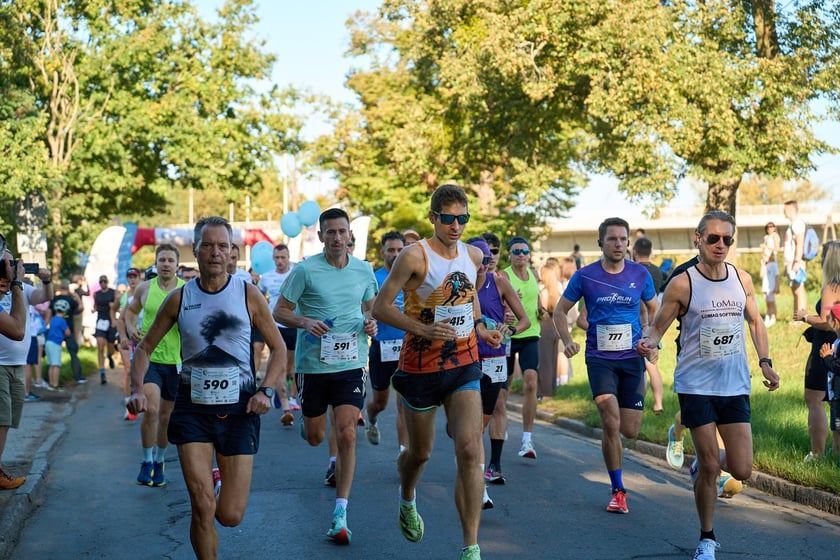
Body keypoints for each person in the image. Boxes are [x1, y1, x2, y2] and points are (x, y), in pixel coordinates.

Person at [127, 216, 286, 560]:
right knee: (202, 506)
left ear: (231, 252)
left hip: (240, 409)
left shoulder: (248, 294)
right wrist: (137, 387)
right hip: (192, 409)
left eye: (222, 246)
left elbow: (279, 348)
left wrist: (266, 391)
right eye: (208, 245)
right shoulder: (179, 299)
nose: (216, 252)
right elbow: (144, 348)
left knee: (230, 515)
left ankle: (217, 481)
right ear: (196, 250)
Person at [638, 210, 779, 560]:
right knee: (712, 466)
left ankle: (700, 463)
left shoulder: (742, 279)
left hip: (734, 384)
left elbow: (755, 321)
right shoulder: (683, 283)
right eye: (713, 238)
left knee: (742, 469)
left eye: (727, 239)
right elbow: (658, 327)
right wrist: (648, 343)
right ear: (698, 239)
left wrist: (765, 361)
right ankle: (706, 538)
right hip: (696, 384)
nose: (720, 244)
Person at [373, 184, 503, 560]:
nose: (456, 226)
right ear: (433, 217)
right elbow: (381, 307)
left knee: (469, 449)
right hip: (420, 368)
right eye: (448, 218)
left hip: (464, 363)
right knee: (420, 453)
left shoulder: (473, 255)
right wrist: (424, 329)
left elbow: (469, 297)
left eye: (463, 218)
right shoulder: (414, 256)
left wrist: (480, 327)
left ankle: (471, 546)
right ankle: (407, 496)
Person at [273, 207, 379, 545]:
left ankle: (340, 513)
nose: (336, 237)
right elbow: (279, 311)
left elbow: (370, 309)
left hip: (351, 364)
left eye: (341, 231)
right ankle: (309, 422)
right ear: (320, 236)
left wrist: (371, 324)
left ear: (350, 235)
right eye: (330, 232)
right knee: (316, 436)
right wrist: (304, 321)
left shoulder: (364, 270)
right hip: (313, 366)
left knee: (347, 432)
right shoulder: (305, 271)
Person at [553, 217, 658, 514]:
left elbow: (655, 309)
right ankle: (618, 490)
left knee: (630, 430)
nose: (619, 244)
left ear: (629, 243)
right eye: (612, 239)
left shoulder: (640, 274)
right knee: (610, 420)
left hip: (632, 358)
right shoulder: (585, 276)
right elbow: (559, 311)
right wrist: (567, 340)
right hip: (600, 359)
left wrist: (651, 340)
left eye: (623, 239)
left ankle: (619, 473)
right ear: (601, 243)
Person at [467, 237, 530, 505]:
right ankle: (478, 485)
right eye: (478, 259)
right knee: (471, 428)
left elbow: (525, 320)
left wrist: (510, 329)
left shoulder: (499, 282)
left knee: (481, 424)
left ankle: (484, 465)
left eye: (487, 258)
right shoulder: (458, 284)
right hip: (466, 360)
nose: (483, 264)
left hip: (495, 358)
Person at [124, 244, 185, 487]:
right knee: (151, 410)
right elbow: (130, 311)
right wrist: (130, 327)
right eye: (162, 260)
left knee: (166, 416)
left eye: (170, 260)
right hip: (149, 359)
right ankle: (147, 461)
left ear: (177, 265)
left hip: (175, 362)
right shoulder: (144, 288)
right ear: (156, 263)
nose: (166, 264)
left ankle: (160, 462)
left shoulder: (186, 290)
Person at [0, 251, 52, 490]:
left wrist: (47, 281)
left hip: (17, 365)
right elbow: (18, 330)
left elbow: (45, 297)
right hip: (1, 365)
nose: (11, 266)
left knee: (7, 421)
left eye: (13, 262)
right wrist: (17, 283)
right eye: (6, 262)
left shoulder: (20, 290)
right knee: (1, 419)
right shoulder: (12, 289)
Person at [495, 236, 542, 462]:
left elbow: (537, 303)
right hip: (507, 336)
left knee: (531, 383)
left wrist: (542, 311)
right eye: (516, 251)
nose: (521, 255)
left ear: (529, 254)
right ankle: (500, 425)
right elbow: (496, 304)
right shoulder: (503, 276)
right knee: (503, 388)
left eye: (524, 251)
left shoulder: (534, 274)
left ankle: (527, 439)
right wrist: (508, 303)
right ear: (509, 255)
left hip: (530, 334)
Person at [794, 241, 840, 462]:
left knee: (814, 398)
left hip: (825, 348)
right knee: (835, 399)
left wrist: (805, 317)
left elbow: (826, 322)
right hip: (836, 345)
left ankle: (817, 453)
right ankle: (837, 450)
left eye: (823, 256)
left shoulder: (831, 287)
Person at [365, 231, 409, 451]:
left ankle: (403, 453)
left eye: (400, 250)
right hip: (382, 347)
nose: (396, 254)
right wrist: (380, 311)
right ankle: (371, 417)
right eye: (391, 250)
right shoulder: (373, 278)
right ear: (383, 252)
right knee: (380, 402)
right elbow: (365, 311)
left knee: (403, 403)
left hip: (407, 347)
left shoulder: (413, 276)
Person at [260, 243, 296, 424]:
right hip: (275, 326)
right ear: (273, 259)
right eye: (277, 258)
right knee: (280, 366)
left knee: (290, 369)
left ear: (288, 258)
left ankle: (282, 391)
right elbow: (260, 297)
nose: (280, 261)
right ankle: (285, 408)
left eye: (283, 257)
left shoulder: (296, 274)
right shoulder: (266, 277)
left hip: (295, 325)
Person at [632, 236, 664, 414]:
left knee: (641, 369)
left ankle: (638, 404)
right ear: (650, 252)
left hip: (639, 322)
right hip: (655, 322)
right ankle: (658, 404)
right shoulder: (658, 271)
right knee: (653, 365)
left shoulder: (634, 270)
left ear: (635, 252)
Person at [115, 267, 142, 420]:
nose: (132, 280)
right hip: (129, 339)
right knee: (128, 370)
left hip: (145, 340)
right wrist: (123, 336)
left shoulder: (146, 293)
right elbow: (119, 319)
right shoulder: (126, 297)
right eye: (129, 277)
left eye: (134, 277)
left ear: (140, 278)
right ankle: (129, 406)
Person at [48, 279, 84, 383]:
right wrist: (77, 297)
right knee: (73, 353)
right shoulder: (71, 300)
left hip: (55, 329)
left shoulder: (54, 299)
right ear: (68, 288)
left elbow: (49, 311)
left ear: (59, 288)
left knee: (52, 356)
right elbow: (81, 308)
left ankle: (49, 379)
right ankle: (78, 376)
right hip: (68, 328)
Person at [783, 200, 808, 315]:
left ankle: (802, 317)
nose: (783, 211)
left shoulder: (797, 223)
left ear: (791, 209)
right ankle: (796, 317)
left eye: (785, 209)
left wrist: (797, 261)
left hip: (796, 262)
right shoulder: (792, 224)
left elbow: (800, 243)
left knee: (799, 289)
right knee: (794, 290)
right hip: (791, 262)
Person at [93, 274, 118, 384]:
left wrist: (114, 306)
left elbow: (117, 306)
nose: (103, 284)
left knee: (111, 348)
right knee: (100, 346)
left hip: (111, 321)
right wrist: (94, 309)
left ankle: (110, 355)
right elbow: (95, 305)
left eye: (105, 282)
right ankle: (102, 372)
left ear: (107, 282)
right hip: (100, 321)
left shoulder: (113, 292)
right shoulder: (97, 294)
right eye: (101, 282)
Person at [44, 299, 71, 391]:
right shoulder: (62, 320)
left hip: (48, 342)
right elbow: (67, 332)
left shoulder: (53, 319)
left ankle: (51, 384)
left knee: (51, 364)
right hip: (56, 344)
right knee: (56, 365)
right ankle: (55, 384)